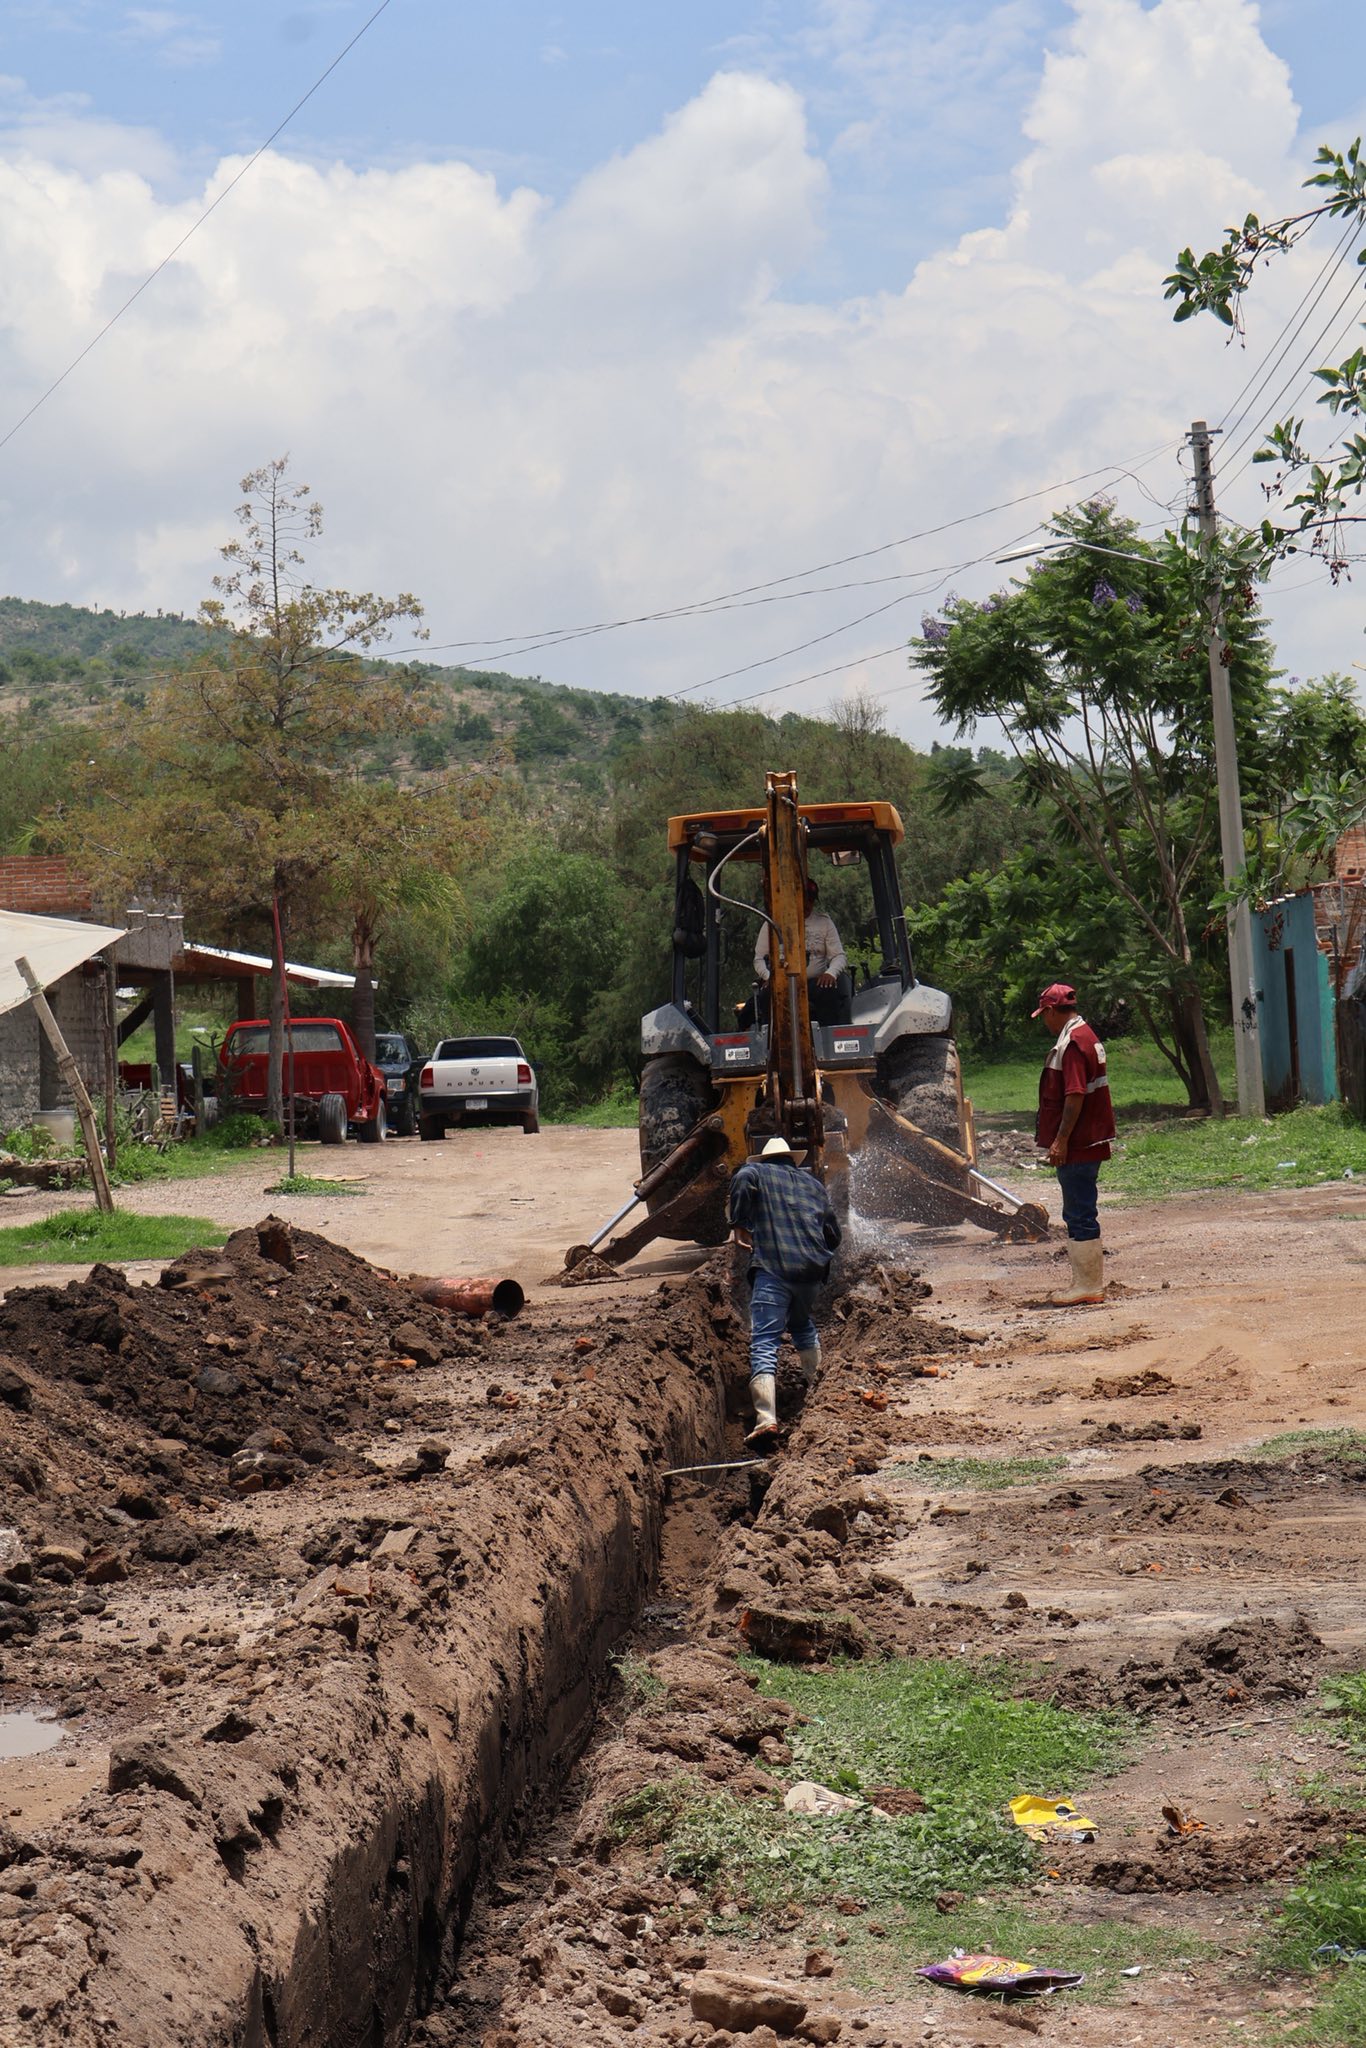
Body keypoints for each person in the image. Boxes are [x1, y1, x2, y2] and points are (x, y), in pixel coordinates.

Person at [728, 1135, 842, 1447]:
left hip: (774, 1270)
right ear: (793, 1160)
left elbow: (742, 1176)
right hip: (810, 1276)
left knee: (765, 1340)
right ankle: (819, 1397)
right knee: (803, 1325)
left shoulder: (758, 1173)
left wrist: (738, 1224)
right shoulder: (814, 1186)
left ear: (766, 1160)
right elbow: (833, 1234)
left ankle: (766, 1419)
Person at [1033, 981, 1116, 1305]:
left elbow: (1075, 1094)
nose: (1044, 1021)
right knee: (1081, 1209)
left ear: (1053, 1011)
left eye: (1044, 1015)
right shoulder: (1083, 1035)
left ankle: (1088, 1286)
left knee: (1079, 1212)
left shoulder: (1074, 1043)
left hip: (1079, 1143)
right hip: (1085, 1140)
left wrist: (1061, 1141)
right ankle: (1086, 1282)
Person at [753, 879, 848, 1026]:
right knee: (766, 995)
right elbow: (759, 959)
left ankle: (827, 1037)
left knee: (829, 991)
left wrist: (831, 973)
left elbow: (838, 956)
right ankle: (771, 1037)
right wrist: (769, 977)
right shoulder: (772, 924)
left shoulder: (824, 923)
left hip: (814, 982)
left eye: (811, 900)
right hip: (781, 981)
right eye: (803, 899)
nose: (807, 904)